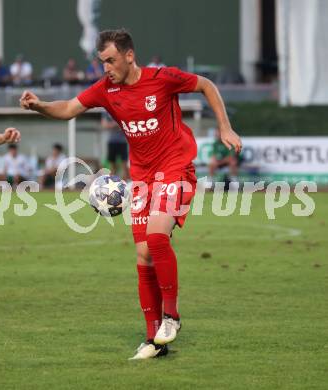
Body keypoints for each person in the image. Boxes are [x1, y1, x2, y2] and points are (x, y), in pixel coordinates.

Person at [19, 29, 242, 360]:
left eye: (110, 61)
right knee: (143, 256)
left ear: (128, 56)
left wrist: (224, 126)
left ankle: (172, 317)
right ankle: (154, 340)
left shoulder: (162, 79)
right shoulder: (106, 90)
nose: (105, 68)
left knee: (156, 237)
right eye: (102, 62)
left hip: (175, 166)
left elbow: (206, 86)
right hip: (140, 178)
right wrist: (38, 106)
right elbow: (68, 108)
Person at [101, 112, 129, 180]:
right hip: (112, 142)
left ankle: (125, 184)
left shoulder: (122, 110)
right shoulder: (106, 112)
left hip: (123, 142)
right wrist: (116, 124)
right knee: (112, 165)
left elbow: (125, 124)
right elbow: (104, 125)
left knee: (124, 165)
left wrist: (112, 124)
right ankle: (112, 184)